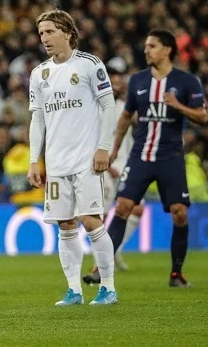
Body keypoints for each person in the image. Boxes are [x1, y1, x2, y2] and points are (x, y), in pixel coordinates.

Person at [26, 9, 118, 306]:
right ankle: (74, 291)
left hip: (86, 161)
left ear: (67, 32)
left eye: (50, 31)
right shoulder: (39, 74)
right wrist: (33, 161)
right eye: (41, 33)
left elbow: (109, 106)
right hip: (55, 163)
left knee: (91, 221)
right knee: (65, 225)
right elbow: (37, 120)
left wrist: (104, 147)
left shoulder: (90, 65)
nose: (45, 38)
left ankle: (108, 287)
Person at [103, 29, 208, 288]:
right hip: (141, 155)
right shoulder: (138, 81)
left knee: (179, 213)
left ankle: (176, 274)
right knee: (124, 207)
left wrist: (178, 106)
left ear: (167, 50)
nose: (146, 51)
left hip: (170, 157)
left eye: (152, 46)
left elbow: (203, 116)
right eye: (146, 46)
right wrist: (115, 150)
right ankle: (101, 268)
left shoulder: (187, 81)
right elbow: (126, 117)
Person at [83, 71, 145, 284]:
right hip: (104, 168)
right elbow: (91, 139)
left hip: (126, 166)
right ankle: (99, 262)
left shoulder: (124, 107)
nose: (117, 85)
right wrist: (107, 165)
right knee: (99, 215)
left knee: (137, 209)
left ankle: (114, 247)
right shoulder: (97, 108)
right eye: (113, 82)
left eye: (120, 82)